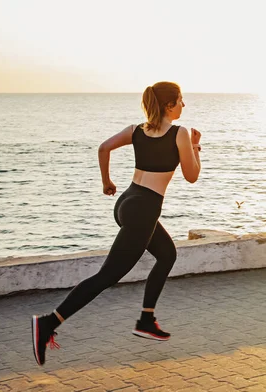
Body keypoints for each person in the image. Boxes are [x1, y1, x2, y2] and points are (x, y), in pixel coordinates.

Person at [31, 81, 201, 366]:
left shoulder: (136, 130)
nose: (184, 105)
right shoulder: (180, 133)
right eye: (181, 100)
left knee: (168, 254)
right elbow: (192, 176)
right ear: (169, 105)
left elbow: (103, 148)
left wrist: (106, 182)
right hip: (143, 211)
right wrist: (195, 146)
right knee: (106, 276)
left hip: (127, 202)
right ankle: (48, 323)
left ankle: (147, 319)